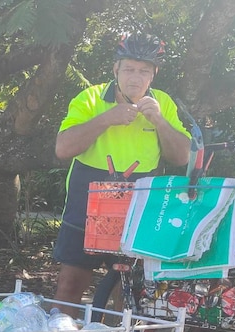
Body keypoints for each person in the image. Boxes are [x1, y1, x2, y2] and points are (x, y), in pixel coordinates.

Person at [53, 32, 192, 315]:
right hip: (87, 203)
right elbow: (63, 148)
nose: (135, 77)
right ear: (116, 69)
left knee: (128, 290)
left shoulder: (162, 103)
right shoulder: (90, 98)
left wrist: (160, 121)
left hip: (138, 207)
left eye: (144, 71)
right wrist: (107, 119)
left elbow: (181, 157)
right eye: (129, 69)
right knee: (70, 285)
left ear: (154, 74)